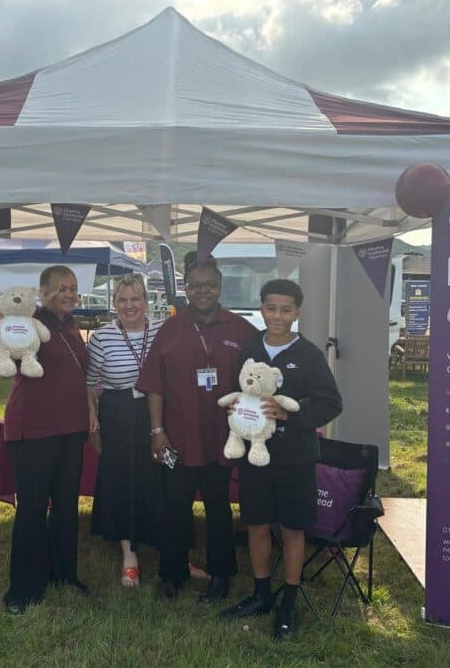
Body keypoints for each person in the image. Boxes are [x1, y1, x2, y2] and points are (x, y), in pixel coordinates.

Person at [218, 280, 342, 640]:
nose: (277, 316)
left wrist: (293, 414)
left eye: (285, 310)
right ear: (262, 309)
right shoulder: (250, 348)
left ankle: (288, 600)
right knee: (256, 524)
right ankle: (260, 594)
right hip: (256, 458)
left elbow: (332, 403)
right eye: (271, 308)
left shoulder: (309, 354)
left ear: (297, 314)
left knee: (292, 528)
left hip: (295, 459)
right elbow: (241, 389)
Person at [136, 252, 257, 602]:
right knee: (175, 507)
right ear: (186, 290)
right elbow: (154, 385)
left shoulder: (241, 330)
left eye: (210, 285)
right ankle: (171, 575)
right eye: (196, 285)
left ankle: (221, 576)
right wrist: (157, 431)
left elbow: (258, 382)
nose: (203, 291)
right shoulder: (171, 329)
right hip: (178, 437)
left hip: (222, 437)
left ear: (219, 288)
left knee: (218, 508)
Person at [1, 265, 90, 614]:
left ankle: (64, 573)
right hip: (35, 429)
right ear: (42, 290)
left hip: (71, 428)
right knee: (33, 508)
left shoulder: (70, 325)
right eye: (60, 288)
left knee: (67, 505)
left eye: (72, 288)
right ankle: (22, 589)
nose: (67, 294)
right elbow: (10, 343)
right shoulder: (28, 319)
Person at [86, 274, 164, 587]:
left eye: (135, 299)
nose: (129, 306)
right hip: (119, 414)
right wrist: (93, 414)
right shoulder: (102, 337)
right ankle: (128, 553)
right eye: (122, 300)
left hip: (158, 411)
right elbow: (90, 382)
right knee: (123, 479)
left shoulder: (162, 330)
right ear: (114, 304)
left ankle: (163, 543)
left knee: (160, 477)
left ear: (146, 302)